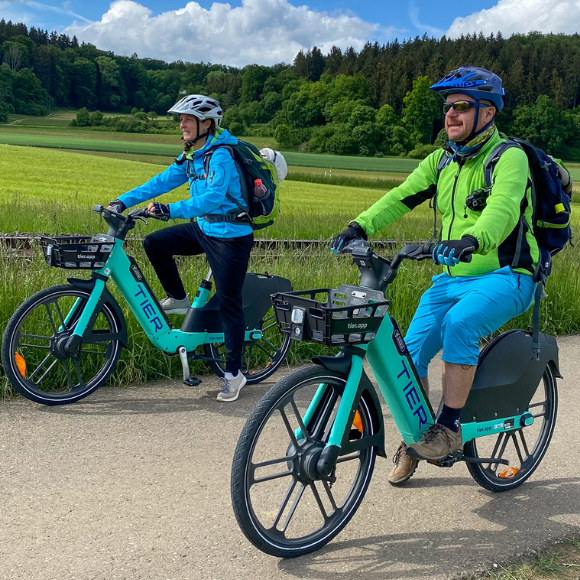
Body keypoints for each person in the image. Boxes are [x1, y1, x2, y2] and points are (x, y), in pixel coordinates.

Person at [331, 66, 539, 484]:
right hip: (450, 280)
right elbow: (400, 197)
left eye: (462, 106)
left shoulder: (509, 157)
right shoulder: (441, 160)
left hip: (507, 275)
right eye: (448, 108)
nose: (451, 115)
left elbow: (501, 210)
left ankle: (448, 427)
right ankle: (415, 437)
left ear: (488, 113)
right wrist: (360, 226)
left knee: (461, 325)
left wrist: (471, 240)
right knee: (406, 354)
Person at [108, 94, 253, 403]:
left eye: (188, 119)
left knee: (229, 303)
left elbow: (213, 198)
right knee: (154, 243)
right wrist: (123, 200)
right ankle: (178, 298)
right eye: (181, 119)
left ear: (207, 124)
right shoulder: (191, 156)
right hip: (203, 228)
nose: (182, 124)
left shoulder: (222, 155)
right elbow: (160, 182)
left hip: (230, 235)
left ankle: (233, 374)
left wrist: (169, 210)